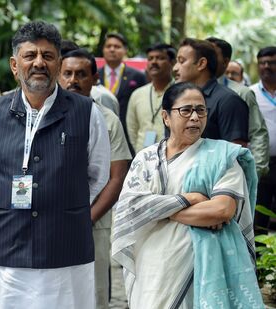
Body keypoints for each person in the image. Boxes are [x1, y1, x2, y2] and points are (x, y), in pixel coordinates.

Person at [0, 21, 110, 308]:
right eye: (30, 56)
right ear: (15, 65)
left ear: (59, 63)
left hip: (66, 248)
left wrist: (64, 203)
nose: (39, 63)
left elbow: (99, 175)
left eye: (48, 56)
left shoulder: (87, 113)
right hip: (9, 249)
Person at [112, 82, 263, 308]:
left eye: (200, 110)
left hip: (203, 270)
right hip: (152, 266)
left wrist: (162, 211)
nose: (194, 117)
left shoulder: (223, 157)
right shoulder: (146, 158)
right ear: (166, 117)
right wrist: (189, 199)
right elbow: (130, 208)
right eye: (186, 110)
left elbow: (222, 210)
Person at [58, 47, 131, 309]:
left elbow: (117, 176)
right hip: (48, 220)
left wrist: (86, 218)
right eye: (67, 73)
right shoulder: (43, 115)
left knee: (93, 292)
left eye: (81, 74)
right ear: (58, 75)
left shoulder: (107, 119)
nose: (72, 80)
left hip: (94, 222)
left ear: (94, 78)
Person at [206, 37, 269, 177]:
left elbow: (257, 132)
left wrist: (254, 173)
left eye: (212, 54)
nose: (206, 58)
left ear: (226, 61)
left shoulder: (242, 93)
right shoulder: (189, 90)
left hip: (231, 174)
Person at [173, 38, 249, 147]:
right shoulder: (177, 98)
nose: (175, 68)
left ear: (201, 64)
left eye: (182, 61)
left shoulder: (228, 101)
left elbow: (236, 153)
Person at [127, 43, 175, 153]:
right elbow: (132, 129)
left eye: (160, 58)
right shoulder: (137, 94)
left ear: (172, 63)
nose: (154, 62)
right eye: (150, 58)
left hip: (172, 156)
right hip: (143, 158)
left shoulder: (181, 93)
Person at [99, 33, 147, 134]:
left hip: (127, 132)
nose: (112, 49)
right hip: (99, 129)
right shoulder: (94, 75)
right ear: (103, 49)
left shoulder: (137, 76)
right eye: (108, 46)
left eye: (117, 47)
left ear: (125, 50)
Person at [251, 46, 276, 231]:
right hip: (262, 163)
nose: (267, 66)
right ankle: (257, 257)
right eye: (263, 63)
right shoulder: (250, 93)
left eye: (272, 63)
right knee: (259, 211)